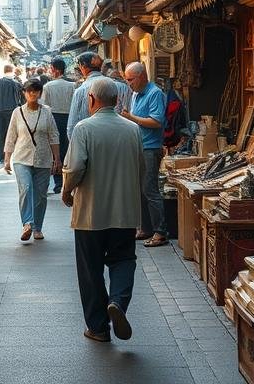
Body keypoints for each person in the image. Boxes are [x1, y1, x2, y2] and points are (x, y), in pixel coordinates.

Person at [61, 76, 143, 343]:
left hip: (90, 213)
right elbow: (140, 167)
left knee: (90, 268)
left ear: (91, 100)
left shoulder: (84, 129)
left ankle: (98, 327)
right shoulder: (132, 129)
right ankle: (117, 301)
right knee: (123, 259)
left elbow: (74, 169)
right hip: (125, 211)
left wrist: (66, 191)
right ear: (118, 100)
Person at [3, 78, 59, 242]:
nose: (32, 93)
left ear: (40, 93)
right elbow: (11, 136)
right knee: (26, 189)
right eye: (29, 90)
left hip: (43, 158)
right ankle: (27, 223)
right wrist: (7, 158)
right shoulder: (17, 112)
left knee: (41, 195)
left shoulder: (47, 111)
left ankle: (37, 228)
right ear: (24, 93)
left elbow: (54, 135)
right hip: (21, 157)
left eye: (35, 90)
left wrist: (57, 158)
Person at [122, 62, 169, 248]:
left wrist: (131, 118)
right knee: (139, 190)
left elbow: (156, 121)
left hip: (150, 148)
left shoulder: (154, 93)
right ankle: (144, 228)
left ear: (141, 76)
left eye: (131, 79)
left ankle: (160, 231)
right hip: (138, 146)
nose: (128, 83)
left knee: (150, 190)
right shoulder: (135, 94)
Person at [66, 53, 132, 126]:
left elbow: (72, 124)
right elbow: (131, 115)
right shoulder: (121, 86)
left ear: (82, 66)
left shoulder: (80, 91)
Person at [41, 57, 77, 194]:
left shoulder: (48, 86)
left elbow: (45, 106)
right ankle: (67, 180)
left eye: (51, 69)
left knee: (54, 149)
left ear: (55, 70)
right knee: (68, 149)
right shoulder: (72, 85)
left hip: (53, 118)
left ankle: (58, 183)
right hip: (69, 118)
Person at [0, 65, 23, 162]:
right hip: (14, 112)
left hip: (1, 113)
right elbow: (23, 100)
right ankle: (12, 155)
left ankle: (2, 157)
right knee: (15, 135)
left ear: (4, 71)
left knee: (1, 135)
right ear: (12, 71)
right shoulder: (17, 84)